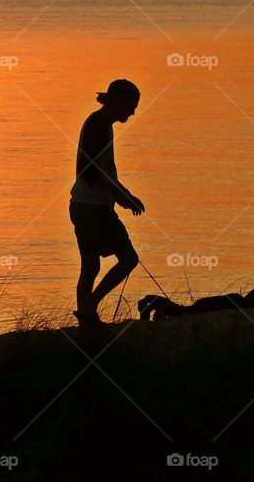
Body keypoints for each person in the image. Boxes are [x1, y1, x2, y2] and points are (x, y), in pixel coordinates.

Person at [70, 79, 145, 327]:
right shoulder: (98, 125)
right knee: (128, 259)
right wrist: (124, 198)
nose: (133, 112)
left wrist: (123, 194)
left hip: (83, 205)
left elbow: (102, 172)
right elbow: (94, 172)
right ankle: (89, 308)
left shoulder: (102, 124)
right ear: (119, 101)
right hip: (93, 208)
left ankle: (86, 321)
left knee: (90, 267)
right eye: (132, 105)